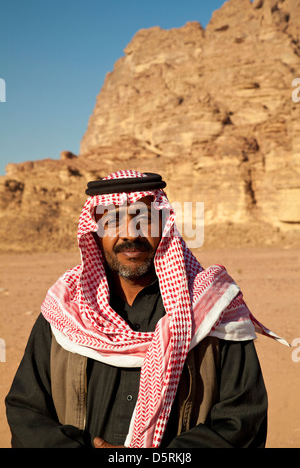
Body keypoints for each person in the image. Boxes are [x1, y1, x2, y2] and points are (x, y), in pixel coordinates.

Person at [5, 170, 288, 448]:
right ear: (95, 231)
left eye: (145, 219)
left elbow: (242, 422)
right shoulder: (65, 310)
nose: (131, 234)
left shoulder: (212, 309)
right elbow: (27, 412)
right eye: (114, 220)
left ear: (164, 226)